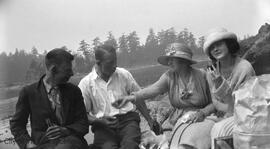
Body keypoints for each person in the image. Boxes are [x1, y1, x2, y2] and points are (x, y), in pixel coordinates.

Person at [114, 43, 216, 149]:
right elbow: (152, 90)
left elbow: (215, 102)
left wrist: (203, 113)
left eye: (172, 59)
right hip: (177, 119)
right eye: (168, 59)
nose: (169, 62)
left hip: (202, 117)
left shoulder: (202, 75)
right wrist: (130, 97)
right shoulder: (169, 76)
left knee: (190, 141)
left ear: (183, 60)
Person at [78, 44, 157, 149]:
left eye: (115, 61)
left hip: (128, 121)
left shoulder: (124, 75)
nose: (114, 65)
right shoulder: (86, 84)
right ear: (98, 63)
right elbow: (83, 115)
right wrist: (99, 121)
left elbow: (138, 98)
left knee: (130, 145)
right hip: (103, 126)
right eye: (110, 63)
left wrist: (150, 120)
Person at [10, 48, 89, 149]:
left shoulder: (74, 91)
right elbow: (17, 125)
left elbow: (83, 124)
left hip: (74, 144)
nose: (72, 73)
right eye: (68, 70)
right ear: (53, 70)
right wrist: (28, 144)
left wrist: (66, 130)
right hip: (43, 145)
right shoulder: (28, 92)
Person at [203, 28, 255, 148]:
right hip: (221, 115)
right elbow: (215, 102)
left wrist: (220, 84)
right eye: (212, 47)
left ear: (229, 44)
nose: (215, 49)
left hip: (245, 117)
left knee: (219, 130)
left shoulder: (244, 68)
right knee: (197, 129)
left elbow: (245, 105)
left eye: (219, 44)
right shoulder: (211, 71)